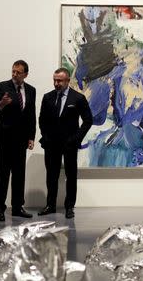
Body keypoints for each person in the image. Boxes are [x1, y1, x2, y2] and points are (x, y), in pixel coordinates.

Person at [38, 68, 93, 218]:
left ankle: (69, 207)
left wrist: (76, 139)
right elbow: (42, 120)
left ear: (68, 81)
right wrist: (46, 136)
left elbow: (88, 120)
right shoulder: (47, 97)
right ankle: (50, 205)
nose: (56, 83)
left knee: (71, 175)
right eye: (55, 80)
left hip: (70, 144)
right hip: (51, 144)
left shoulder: (78, 98)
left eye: (60, 80)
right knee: (51, 175)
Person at [0, 60, 36, 221]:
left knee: (19, 174)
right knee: (3, 174)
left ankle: (17, 207)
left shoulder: (31, 90)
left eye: (18, 72)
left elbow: (31, 114)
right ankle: (0, 208)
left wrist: (31, 137)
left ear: (25, 74)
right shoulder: (2, 86)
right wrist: (2, 104)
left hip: (21, 139)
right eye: (13, 71)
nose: (14, 74)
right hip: (4, 139)